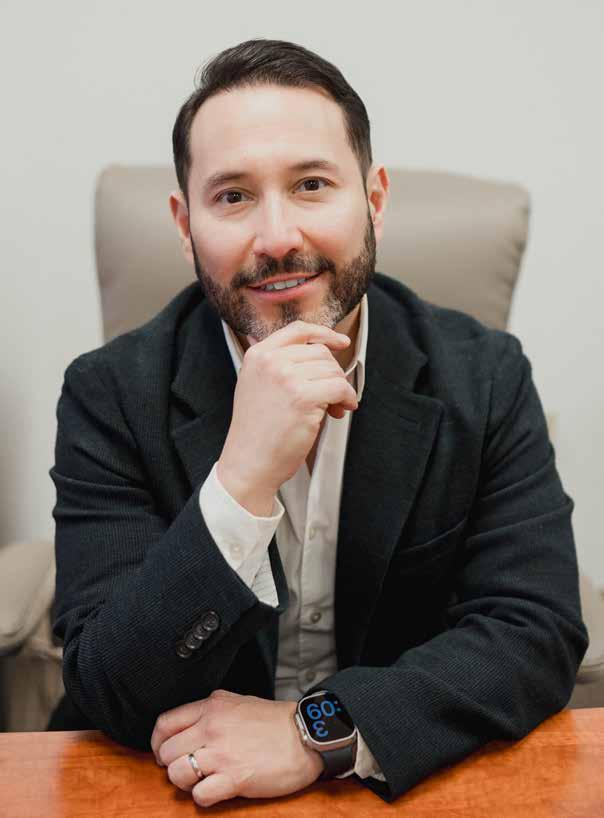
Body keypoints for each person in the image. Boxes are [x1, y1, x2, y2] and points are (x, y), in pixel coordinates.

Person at [48, 38, 589, 807]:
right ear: (185, 223)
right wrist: (242, 480)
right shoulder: (107, 394)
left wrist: (317, 732)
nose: (276, 238)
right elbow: (108, 687)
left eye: (311, 185)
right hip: (166, 788)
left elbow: (536, 632)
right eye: (232, 196)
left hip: (389, 783)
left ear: (374, 200)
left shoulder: (486, 377)